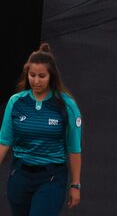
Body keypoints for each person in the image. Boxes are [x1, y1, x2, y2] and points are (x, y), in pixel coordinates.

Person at [0, 44, 82, 215]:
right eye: (32, 75)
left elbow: (74, 149)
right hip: (19, 176)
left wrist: (75, 184)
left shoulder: (66, 105)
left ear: (51, 76)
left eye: (42, 76)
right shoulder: (16, 102)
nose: (36, 81)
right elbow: (4, 142)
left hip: (51, 178)